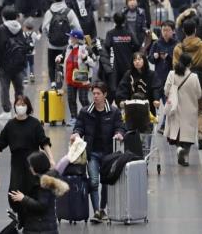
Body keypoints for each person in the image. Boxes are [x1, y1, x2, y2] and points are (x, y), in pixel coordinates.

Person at [0, 96, 54, 224]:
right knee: (14, 190)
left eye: (23, 104)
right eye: (18, 104)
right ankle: (21, 216)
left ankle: (31, 217)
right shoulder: (10, 125)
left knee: (32, 188)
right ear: (14, 106)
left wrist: (51, 159)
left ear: (28, 106)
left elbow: (44, 142)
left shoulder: (35, 123)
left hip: (33, 163)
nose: (20, 106)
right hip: (17, 163)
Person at [71, 82, 124, 222]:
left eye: (98, 93)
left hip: (108, 154)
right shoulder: (85, 112)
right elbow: (79, 127)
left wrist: (119, 133)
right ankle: (95, 212)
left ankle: (102, 209)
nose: (95, 96)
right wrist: (76, 133)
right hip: (92, 152)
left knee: (105, 182)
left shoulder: (114, 112)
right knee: (94, 182)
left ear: (105, 95)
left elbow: (120, 126)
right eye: (93, 93)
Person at [172, 18, 202, 148]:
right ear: (195, 30)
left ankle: (185, 139)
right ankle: (201, 134)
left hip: (184, 83)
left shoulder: (178, 48)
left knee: (185, 111)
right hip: (201, 80)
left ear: (183, 31)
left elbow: (175, 67)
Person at [8, 151, 69, 234]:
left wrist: (23, 198)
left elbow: (41, 205)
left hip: (40, 227)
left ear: (37, 166)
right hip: (43, 225)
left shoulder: (44, 183)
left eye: (31, 166)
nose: (30, 168)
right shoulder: (47, 178)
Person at [164, 53, 202, 167]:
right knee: (187, 136)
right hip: (190, 110)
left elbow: (166, 90)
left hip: (174, 109)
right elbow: (199, 94)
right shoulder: (193, 77)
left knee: (176, 133)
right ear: (189, 64)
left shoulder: (172, 74)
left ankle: (179, 148)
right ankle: (185, 157)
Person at [0, 7, 28, 119]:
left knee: (5, 88)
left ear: (3, 17)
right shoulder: (20, 28)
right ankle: (20, 110)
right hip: (19, 64)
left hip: (4, 65)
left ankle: (6, 112)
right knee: (19, 88)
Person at [56, 30, 96, 126]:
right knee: (71, 99)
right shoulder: (68, 48)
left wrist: (86, 58)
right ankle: (74, 117)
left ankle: (91, 116)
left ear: (76, 39)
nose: (70, 38)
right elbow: (63, 57)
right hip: (70, 78)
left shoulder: (85, 49)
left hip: (82, 78)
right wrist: (59, 58)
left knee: (83, 99)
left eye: (71, 37)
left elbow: (94, 63)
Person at [42, 0, 82, 86]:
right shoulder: (69, 12)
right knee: (65, 62)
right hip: (66, 44)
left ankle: (52, 83)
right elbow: (77, 28)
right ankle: (63, 79)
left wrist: (49, 37)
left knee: (51, 64)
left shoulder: (49, 12)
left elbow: (44, 28)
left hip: (52, 45)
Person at [117, 51, 162, 115]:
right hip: (131, 107)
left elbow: (156, 87)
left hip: (148, 107)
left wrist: (156, 99)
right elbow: (123, 87)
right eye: (134, 60)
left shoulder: (152, 74)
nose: (137, 62)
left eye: (139, 59)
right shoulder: (128, 74)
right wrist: (122, 99)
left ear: (144, 61)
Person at [23, 18, 40, 84]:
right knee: (31, 64)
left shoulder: (23, 33)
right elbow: (38, 38)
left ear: (26, 27)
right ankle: (32, 75)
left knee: (25, 65)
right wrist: (39, 33)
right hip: (32, 52)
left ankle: (25, 78)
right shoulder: (34, 33)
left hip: (24, 53)